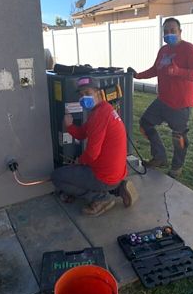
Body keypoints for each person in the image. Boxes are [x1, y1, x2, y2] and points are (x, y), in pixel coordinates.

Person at [128, 17, 193, 178]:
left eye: (172, 31)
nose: (169, 34)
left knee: (178, 136)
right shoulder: (163, 51)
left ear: (180, 31)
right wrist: (138, 75)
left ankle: (177, 168)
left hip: (180, 104)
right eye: (166, 31)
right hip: (162, 100)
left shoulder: (190, 49)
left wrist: (179, 71)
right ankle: (160, 157)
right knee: (145, 124)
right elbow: (156, 69)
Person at [51, 76, 138, 217]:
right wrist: (70, 126)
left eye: (87, 93)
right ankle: (118, 188)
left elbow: (92, 154)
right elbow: (82, 133)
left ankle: (101, 198)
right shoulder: (104, 109)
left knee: (57, 177)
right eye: (81, 95)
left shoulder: (99, 115)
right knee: (75, 171)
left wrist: (79, 161)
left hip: (104, 175)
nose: (83, 98)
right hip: (115, 173)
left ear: (98, 93)